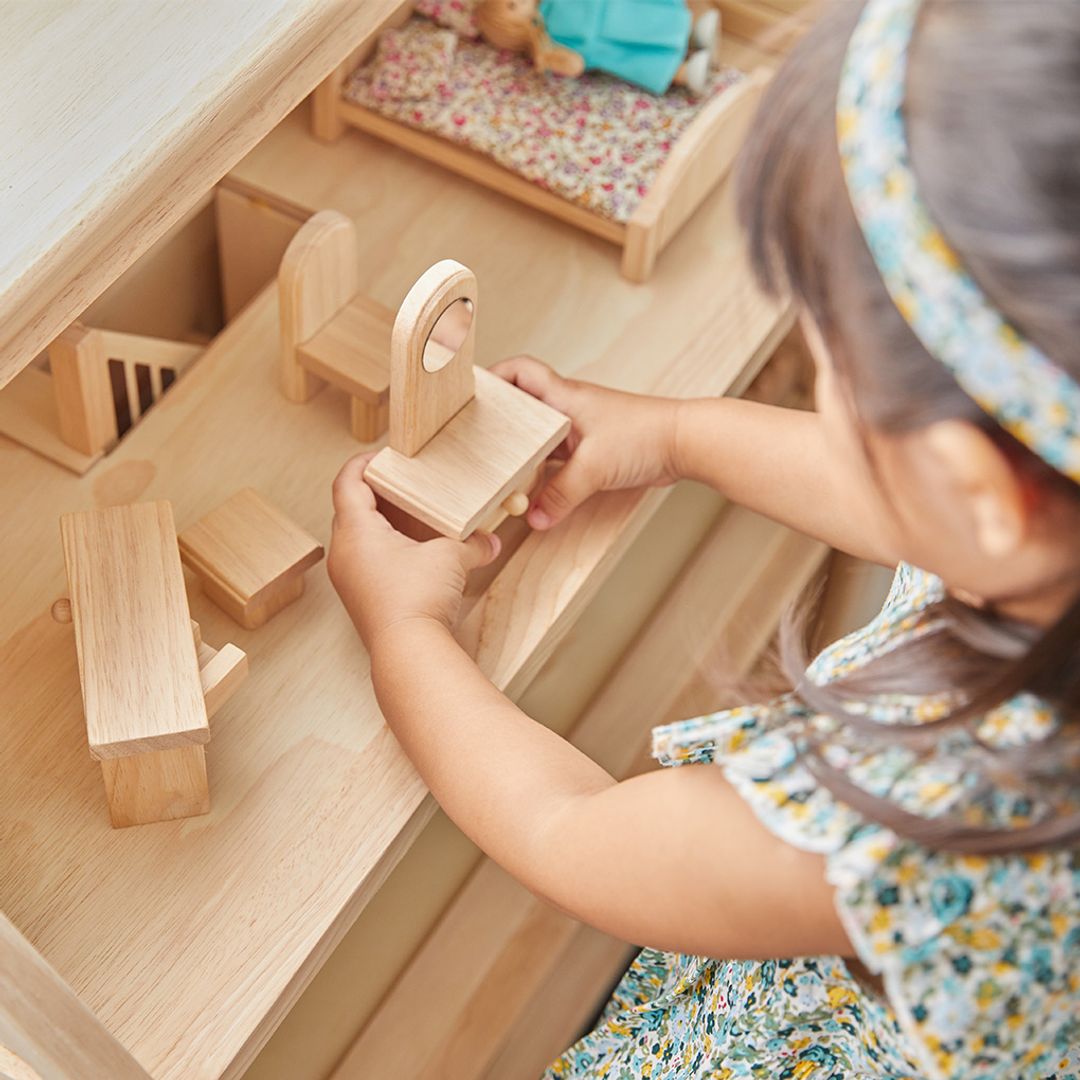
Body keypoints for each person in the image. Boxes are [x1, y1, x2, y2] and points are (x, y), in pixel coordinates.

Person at [327, 0, 1080, 1075]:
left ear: (978, 481)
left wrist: (405, 632)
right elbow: (911, 507)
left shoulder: (934, 817)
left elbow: (571, 832)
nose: (822, 388)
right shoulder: (1049, 518)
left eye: (830, 368)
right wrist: (675, 434)